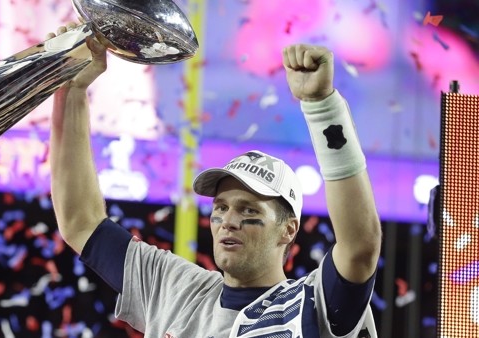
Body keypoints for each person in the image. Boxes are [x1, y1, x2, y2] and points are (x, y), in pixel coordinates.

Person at [49, 22, 382, 338]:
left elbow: (360, 247)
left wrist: (322, 108)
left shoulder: (310, 304)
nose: (229, 222)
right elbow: (80, 221)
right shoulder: (174, 287)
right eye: (220, 208)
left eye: (250, 212)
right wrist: (71, 90)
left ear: (289, 229)